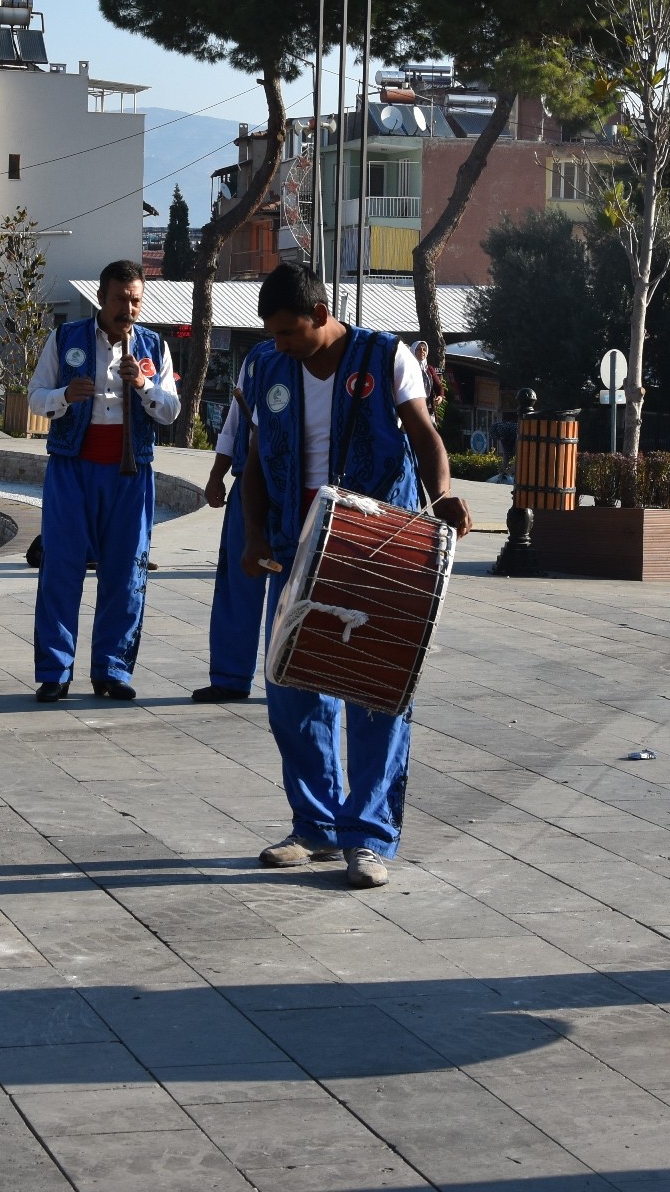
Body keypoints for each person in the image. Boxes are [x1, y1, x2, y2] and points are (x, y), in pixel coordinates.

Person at [237, 264, 472, 889]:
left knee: (377, 694)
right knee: (291, 691)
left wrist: (442, 495)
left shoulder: (383, 355)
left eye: (289, 331)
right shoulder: (266, 367)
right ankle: (313, 827)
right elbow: (256, 461)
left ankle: (367, 838)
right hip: (293, 547)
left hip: (373, 546)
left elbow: (425, 435)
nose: (280, 342)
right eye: (273, 331)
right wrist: (254, 536)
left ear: (321, 314)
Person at [28, 260, 179, 702]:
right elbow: (35, 396)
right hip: (72, 470)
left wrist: (144, 385)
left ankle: (112, 670)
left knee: (125, 571)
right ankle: (55, 670)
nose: (128, 309)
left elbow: (169, 411)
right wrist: (63, 396)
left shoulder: (155, 346)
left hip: (130, 474)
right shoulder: (65, 338)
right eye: (119, 300)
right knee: (61, 567)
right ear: (101, 297)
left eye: (135, 300)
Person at [196, 380, 264, 704]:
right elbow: (234, 425)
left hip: (299, 491)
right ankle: (231, 677)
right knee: (237, 582)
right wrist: (216, 474)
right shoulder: (256, 362)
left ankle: (295, 683)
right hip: (247, 486)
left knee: (297, 592)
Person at [412, 338, 445, 419]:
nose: (422, 351)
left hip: (428, 408)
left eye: (424, 349)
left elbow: (438, 386)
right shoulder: (408, 368)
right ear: (413, 351)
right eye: (418, 349)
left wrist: (440, 397)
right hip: (412, 409)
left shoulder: (429, 369)